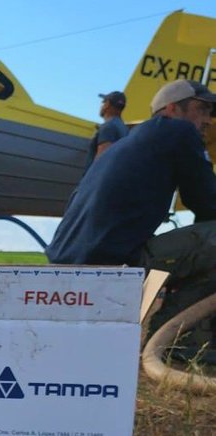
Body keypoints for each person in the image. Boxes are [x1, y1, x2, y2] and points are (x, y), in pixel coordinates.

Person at [47, 78, 216, 353]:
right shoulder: (179, 133)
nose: (208, 120)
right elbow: (207, 203)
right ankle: (180, 341)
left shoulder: (133, 139)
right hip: (109, 265)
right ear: (172, 108)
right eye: (202, 109)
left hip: (68, 260)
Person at [85, 90, 129, 168]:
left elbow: (101, 161)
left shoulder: (108, 127)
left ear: (107, 104)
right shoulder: (124, 129)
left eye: (103, 102)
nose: (101, 106)